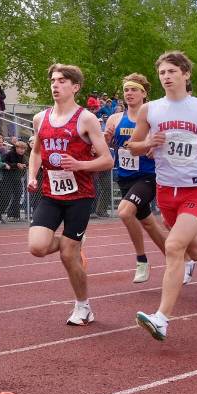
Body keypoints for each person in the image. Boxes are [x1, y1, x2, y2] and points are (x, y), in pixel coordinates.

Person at [126, 51, 197, 340]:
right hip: (165, 191)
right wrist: (148, 142)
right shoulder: (150, 110)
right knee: (194, 250)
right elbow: (132, 145)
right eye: (163, 72)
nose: (166, 77)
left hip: (196, 189)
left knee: (174, 247)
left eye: (172, 72)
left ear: (186, 75)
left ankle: (162, 318)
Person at [26, 63, 114, 325]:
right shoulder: (40, 118)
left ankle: (83, 306)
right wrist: (32, 175)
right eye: (53, 80)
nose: (56, 85)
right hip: (51, 193)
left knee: (67, 254)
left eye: (63, 81)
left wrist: (80, 165)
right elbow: (37, 151)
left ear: (75, 87)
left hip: (80, 195)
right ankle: (73, 242)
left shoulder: (85, 119)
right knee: (37, 247)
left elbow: (107, 160)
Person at [104, 73, 167, 284]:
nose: (129, 93)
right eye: (126, 90)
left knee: (124, 211)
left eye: (133, 89)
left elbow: (164, 141)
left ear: (144, 94)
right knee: (149, 225)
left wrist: (153, 146)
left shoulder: (153, 118)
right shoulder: (114, 119)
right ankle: (178, 259)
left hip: (148, 176)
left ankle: (141, 260)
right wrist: (105, 139)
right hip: (124, 177)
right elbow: (106, 147)